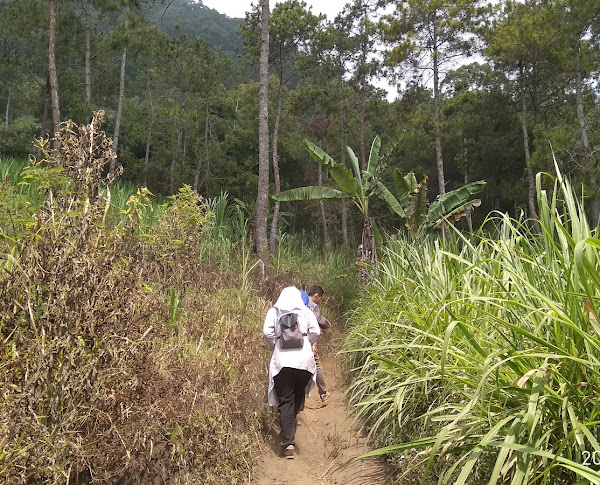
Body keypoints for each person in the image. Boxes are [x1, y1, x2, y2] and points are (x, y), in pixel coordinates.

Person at [263, 286, 320, 459]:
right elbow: (316, 331)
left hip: (283, 362)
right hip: (304, 362)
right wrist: (305, 343)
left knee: (285, 400)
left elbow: (267, 332)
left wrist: (277, 344)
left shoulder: (275, 311)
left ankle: (288, 442)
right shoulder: (306, 311)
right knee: (297, 396)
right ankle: (289, 431)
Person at [306, 285, 331, 402]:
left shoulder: (299, 303)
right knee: (316, 365)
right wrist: (314, 344)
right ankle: (323, 393)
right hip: (308, 341)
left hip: (293, 341)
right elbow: (315, 327)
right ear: (316, 296)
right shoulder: (313, 307)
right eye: (320, 298)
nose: (319, 301)